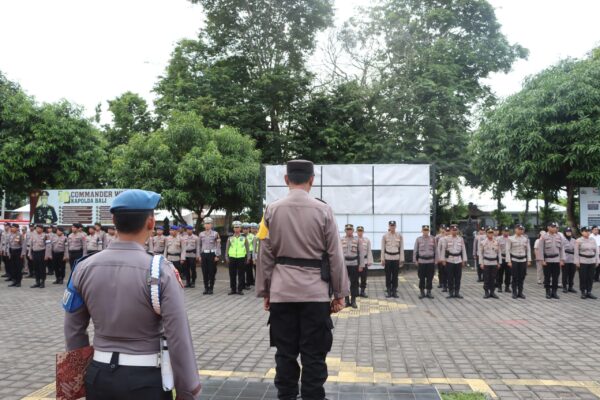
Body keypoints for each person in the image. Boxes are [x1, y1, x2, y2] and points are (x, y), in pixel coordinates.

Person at [63, 189, 201, 399]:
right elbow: (178, 336)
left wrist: (78, 379)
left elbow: (73, 330)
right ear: (151, 223)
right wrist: (187, 390)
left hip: (98, 375)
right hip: (145, 380)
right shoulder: (160, 270)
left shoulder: (83, 268)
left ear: (114, 221)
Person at [255, 159, 349, 400]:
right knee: (314, 355)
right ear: (312, 180)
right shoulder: (324, 210)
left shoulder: (271, 210)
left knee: (285, 353)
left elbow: (265, 254)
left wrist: (266, 291)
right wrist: (340, 293)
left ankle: (286, 396)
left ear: (286, 180)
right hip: (315, 293)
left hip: (282, 292)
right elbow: (335, 255)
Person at [539, 222, 565, 299]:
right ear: (548, 227)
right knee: (547, 277)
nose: (554, 228)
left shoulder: (559, 236)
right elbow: (541, 249)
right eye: (552, 227)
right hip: (547, 260)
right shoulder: (543, 237)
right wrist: (542, 260)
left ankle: (554, 292)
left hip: (556, 260)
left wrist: (562, 259)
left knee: (555, 277)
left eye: (555, 227)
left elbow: (561, 249)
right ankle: (548, 292)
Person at [440, 224, 467, 299]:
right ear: (451, 231)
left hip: (458, 260)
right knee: (450, 277)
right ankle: (451, 292)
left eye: (456, 230)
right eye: (453, 230)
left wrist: (464, 260)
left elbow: (463, 250)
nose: (454, 231)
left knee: (458, 277)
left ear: (457, 231)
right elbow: (443, 249)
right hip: (450, 260)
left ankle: (457, 292)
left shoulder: (460, 239)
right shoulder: (446, 239)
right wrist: (443, 259)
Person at [506, 224, 531, 299]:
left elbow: (528, 250)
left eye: (522, 229)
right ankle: (514, 292)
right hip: (514, 260)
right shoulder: (510, 238)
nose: (521, 230)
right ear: (515, 229)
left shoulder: (525, 239)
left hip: (523, 260)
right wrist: (509, 261)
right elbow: (508, 250)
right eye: (519, 229)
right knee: (515, 277)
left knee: (522, 277)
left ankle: (520, 292)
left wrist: (529, 260)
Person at [341, 224, 363, 308]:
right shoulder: (341, 239)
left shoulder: (357, 240)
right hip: (344, 264)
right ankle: (346, 300)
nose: (349, 231)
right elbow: (338, 253)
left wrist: (361, 265)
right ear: (345, 230)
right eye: (347, 229)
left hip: (354, 263)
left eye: (350, 230)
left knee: (354, 282)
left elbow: (361, 253)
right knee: (345, 283)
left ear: (353, 230)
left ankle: (353, 300)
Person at [381, 220, 404, 298]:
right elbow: (382, 248)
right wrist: (382, 259)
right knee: (388, 275)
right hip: (387, 257)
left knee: (395, 276)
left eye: (393, 226)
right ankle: (388, 290)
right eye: (391, 226)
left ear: (395, 226)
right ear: (389, 226)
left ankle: (394, 291)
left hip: (396, 258)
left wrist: (401, 259)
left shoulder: (399, 236)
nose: (392, 227)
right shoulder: (385, 236)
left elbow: (401, 248)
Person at [225, 221, 249, 295]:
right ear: (233, 228)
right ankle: (233, 289)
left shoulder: (244, 238)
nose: (236, 228)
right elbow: (227, 248)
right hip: (232, 258)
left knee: (241, 274)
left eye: (238, 227)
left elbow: (247, 248)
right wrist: (226, 256)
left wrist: (248, 258)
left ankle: (240, 289)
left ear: (240, 228)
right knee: (232, 274)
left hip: (241, 258)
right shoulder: (230, 238)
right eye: (235, 227)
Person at [574, 226, 598, 299]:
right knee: (583, 277)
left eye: (588, 231)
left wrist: (597, 260)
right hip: (583, 261)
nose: (587, 232)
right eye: (585, 231)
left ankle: (589, 291)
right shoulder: (578, 240)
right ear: (582, 232)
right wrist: (577, 261)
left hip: (592, 261)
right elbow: (576, 252)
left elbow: (596, 251)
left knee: (590, 277)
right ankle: (583, 292)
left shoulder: (592, 240)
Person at [199, 217, 221, 295]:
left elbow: (218, 245)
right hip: (204, 254)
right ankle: (206, 288)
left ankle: (211, 288)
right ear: (204, 225)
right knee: (204, 272)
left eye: (209, 223)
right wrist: (199, 255)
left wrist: (217, 256)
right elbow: (199, 245)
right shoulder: (201, 234)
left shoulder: (215, 234)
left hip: (212, 255)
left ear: (211, 224)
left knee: (211, 272)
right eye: (206, 223)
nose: (207, 225)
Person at [413, 225, 436, 299]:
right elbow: (415, 251)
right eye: (424, 230)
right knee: (421, 277)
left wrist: (436, 260)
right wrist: (415, 260)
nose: (425, 231)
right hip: (421, 261)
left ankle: (429, 292)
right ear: (422, 231)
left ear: (428, 231)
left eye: (427, 230)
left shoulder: (433, 239)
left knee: (430, 277)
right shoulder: (418, 239)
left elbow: (436, 250)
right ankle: (422, 292)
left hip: (430, 261)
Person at [28, 224, 52, 288]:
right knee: (36, 268)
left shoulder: (46, 236)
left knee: (42, 268)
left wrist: (47, 255)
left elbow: (48, 246)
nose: (38, 229)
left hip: (42, 253)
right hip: (34, 253)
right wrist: (29, 254)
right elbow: (30, 245)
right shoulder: (33, 235)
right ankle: (37, 282)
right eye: (37, 228)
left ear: (42, 229)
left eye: (40, 228)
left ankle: (42, 282)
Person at [479, 227, 501, 299]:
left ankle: (492, 292)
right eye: (489, 233)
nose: (491, 234)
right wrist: (481, 263)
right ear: (486, 234)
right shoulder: (483, 242)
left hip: (494, 262)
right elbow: (481, 253)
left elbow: (499, 253)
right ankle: (486, 292)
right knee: (486, 278)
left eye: (492, 233)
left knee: (493, 278)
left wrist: (499, 262)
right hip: (486, 262)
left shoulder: (496, 242)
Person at [356, 226, 373, 298]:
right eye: (358, 231)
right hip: (356, 261)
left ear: (363, 232)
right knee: (355, 277)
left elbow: (369, 250)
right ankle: (355, 291)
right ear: (356, 232)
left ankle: (362, 291)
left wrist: (370, 260)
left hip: (365, 261)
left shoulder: (367, 240)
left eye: (361, 231)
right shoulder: (354, 240)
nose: (360, 232)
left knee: (364, 277)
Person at [562, 227, 577, 294]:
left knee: (572, 274)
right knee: (565, 274)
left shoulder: (574, 240)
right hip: (565, 259)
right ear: (565, 232)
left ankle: (570, 287)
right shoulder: (562, 239)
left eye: (570, 232)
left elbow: (576, 250)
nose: (568, 233)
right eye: (567, 232)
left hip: (573, 259)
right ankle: (564, 287)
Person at [496, 227, 511, 293]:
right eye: (505, 231)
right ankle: (499, 286)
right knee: (500, 273)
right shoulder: (498, 239)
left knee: (508, 273)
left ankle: (507, 287)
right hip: (501, 257)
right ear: (502, 232)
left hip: (508, 258)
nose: (506, 232)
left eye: (507, 231)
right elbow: (496, 250)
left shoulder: (511, 239)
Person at [436, 225, 448, 291]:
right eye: (442, 228)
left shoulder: (448, 236)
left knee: (446, 271)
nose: (443, 230)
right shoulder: (437, 237)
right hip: (440, 256)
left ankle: (445, 283)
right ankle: (441, 283)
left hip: (447, 257)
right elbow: (436, 247)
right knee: (440, 271)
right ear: (439, 229)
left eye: (444, 228)